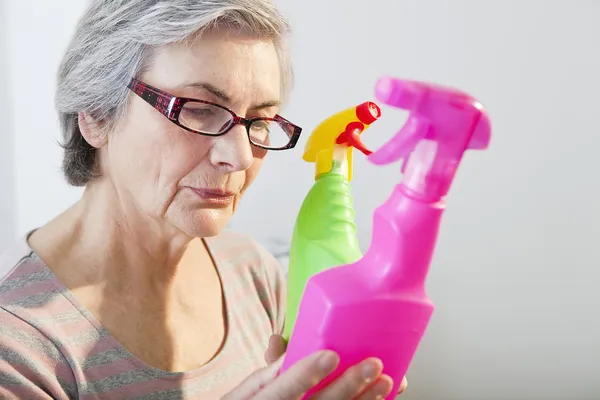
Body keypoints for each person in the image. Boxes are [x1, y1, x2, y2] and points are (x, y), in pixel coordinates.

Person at [0, 0, 408, 398]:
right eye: (198, 109)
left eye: (261, 121)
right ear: (95, 113)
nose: (240, 157)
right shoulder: (17, 346)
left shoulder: (253, 272)